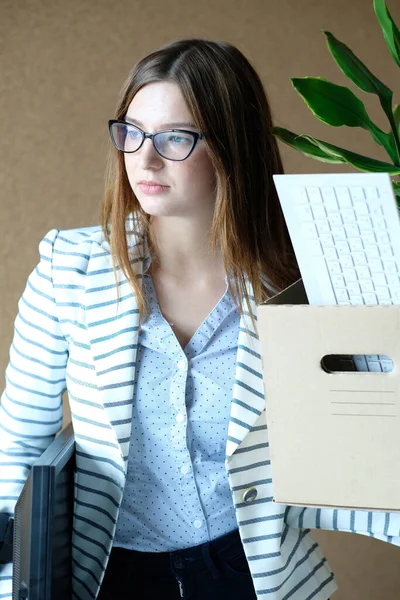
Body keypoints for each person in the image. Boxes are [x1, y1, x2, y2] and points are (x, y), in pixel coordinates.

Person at [0, 38, 399, 600]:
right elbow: (18, 447)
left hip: (253, 574)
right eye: (131, 132)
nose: (144, 158)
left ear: (233, 147)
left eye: (175, 138)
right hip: (107, 576)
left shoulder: (300, 279)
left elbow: (376, 427)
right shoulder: (70, 269)